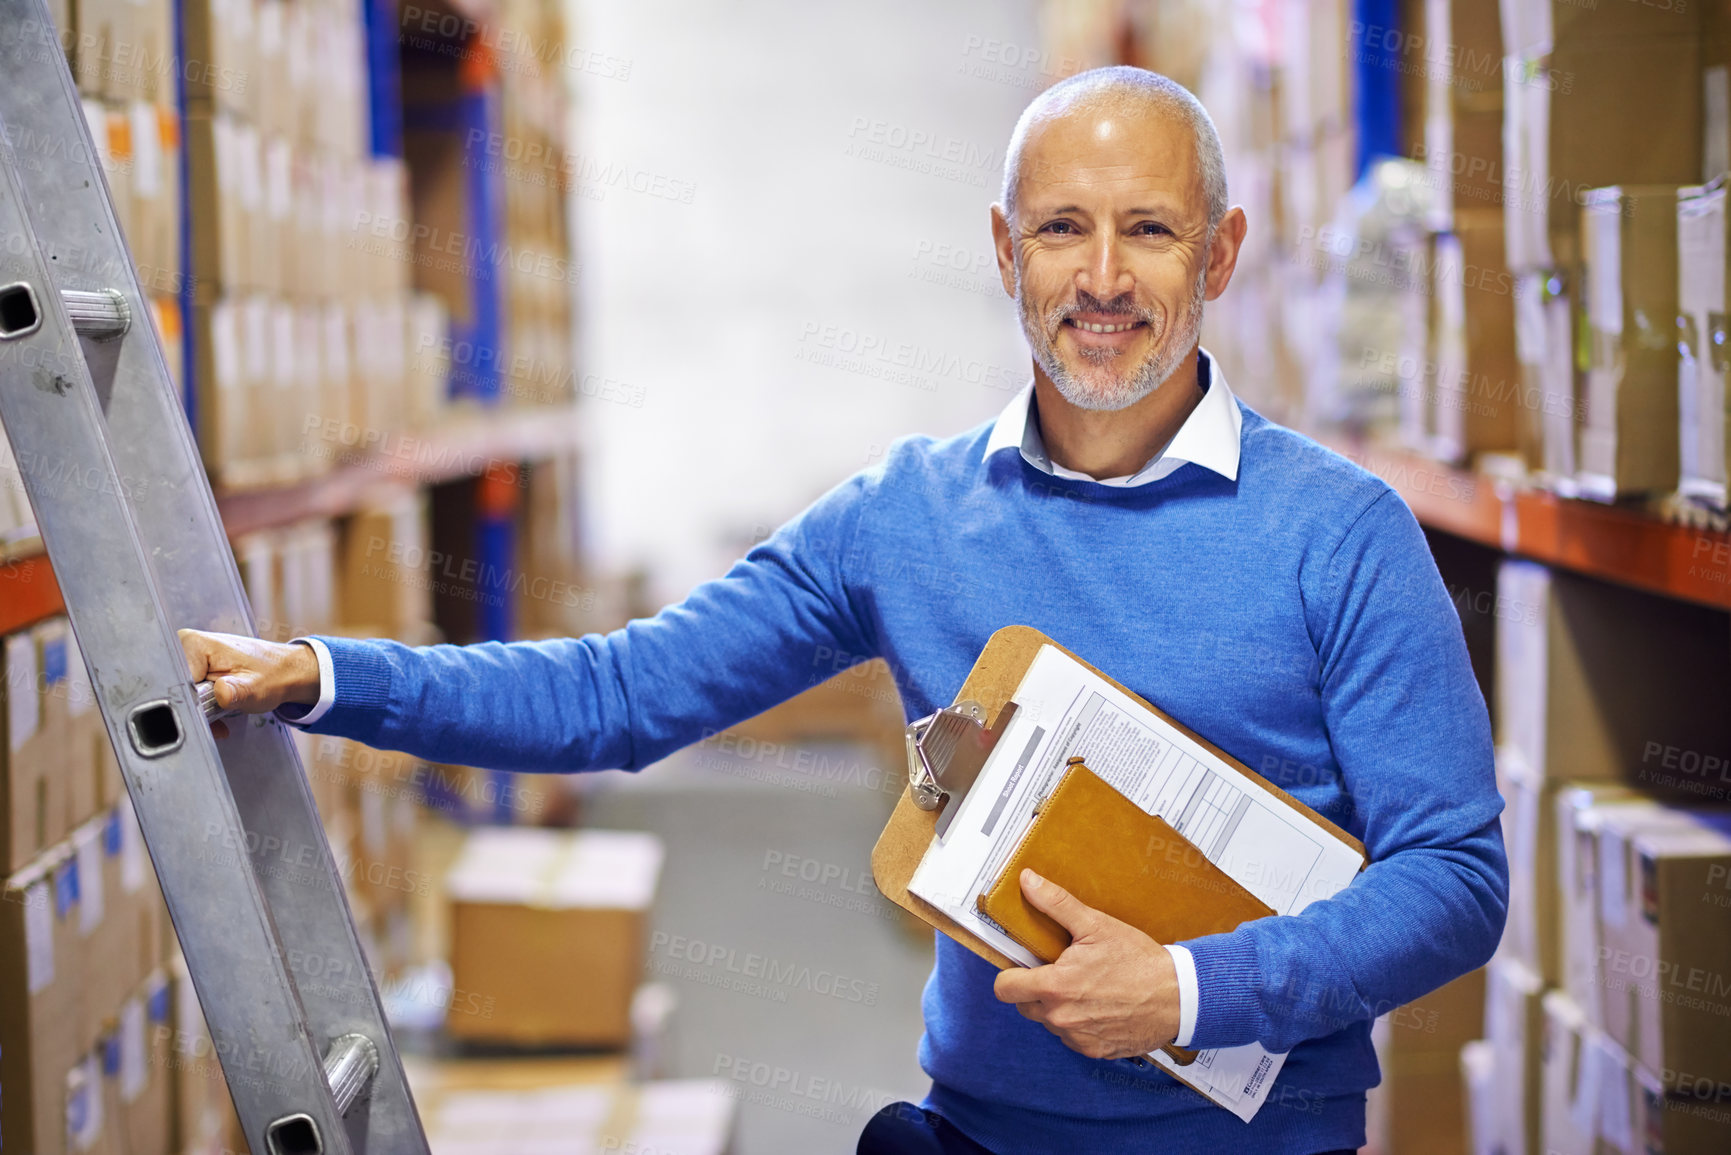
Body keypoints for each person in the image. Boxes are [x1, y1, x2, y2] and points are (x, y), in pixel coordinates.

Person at [181, 66, 1506, 1155]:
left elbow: (1454, 878)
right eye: (1061, 228)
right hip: (980, 1135)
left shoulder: (1339, 533)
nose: (1103, 279)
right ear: (1004, 249)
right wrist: (330, 675)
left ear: (1219, 251)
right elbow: (620, 694)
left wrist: (1194, 990)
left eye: (1148, 229)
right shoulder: (908, 517)